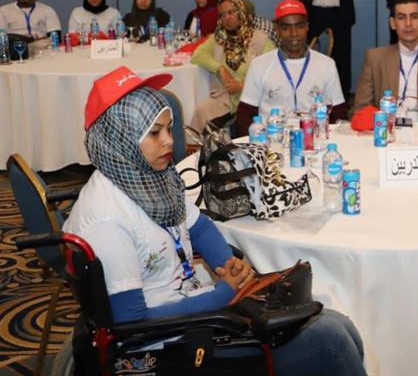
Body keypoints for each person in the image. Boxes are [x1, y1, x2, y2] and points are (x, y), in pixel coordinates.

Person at [63, 66, 367, 376]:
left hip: (193, 308)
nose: (169, 141)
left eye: (169, 129)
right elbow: (131, 323)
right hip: (162, 345)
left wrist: (227, 265)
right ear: (120, 139)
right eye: (154, 133)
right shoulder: (108, 220)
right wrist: (222, 294)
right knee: (332, 340)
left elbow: (200, 226)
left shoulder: (147, 178)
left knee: (340, 324)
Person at [236, 0, 346, 136]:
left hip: (315, 141)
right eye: (286, 28)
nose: (294, 33)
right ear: (277, 29)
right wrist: (258, 143)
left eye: (299, 26)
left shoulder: (327, 64)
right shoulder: (259, 65)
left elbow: (339, 114)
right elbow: (244, 114)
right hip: (273, 141)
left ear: (307, 27)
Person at [189, 0, 276, 133]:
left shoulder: (260, 40)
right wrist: (220, 68)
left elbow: (272, 71)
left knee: (248, 126)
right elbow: (197, 55)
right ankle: (199, 148)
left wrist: (242, 85)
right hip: (225, 98)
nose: (227, 18)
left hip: (254, 100)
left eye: (231, 12)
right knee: (201, 114)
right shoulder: (219, 38)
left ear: (241, 13)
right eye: (222, 15)